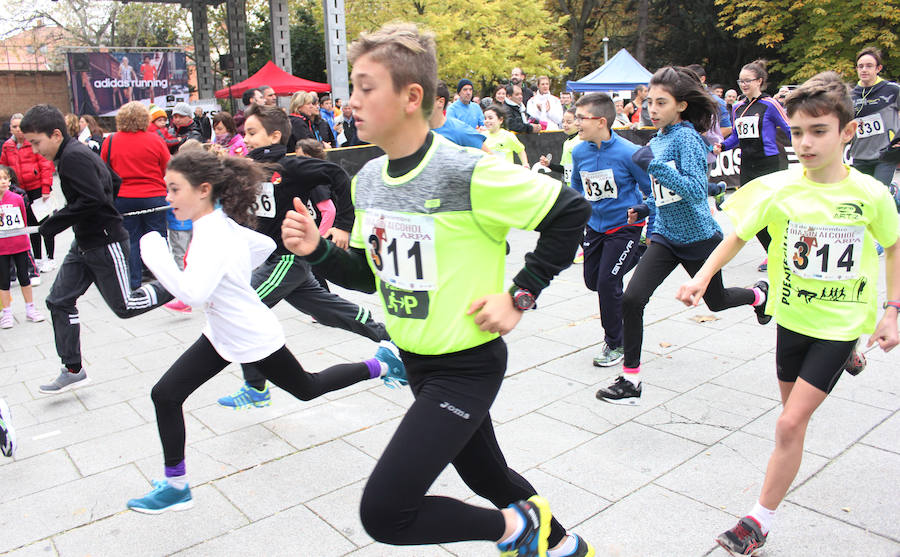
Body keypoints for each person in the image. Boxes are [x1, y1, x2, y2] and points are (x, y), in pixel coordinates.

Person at [281, 22, 594, 557]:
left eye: (364, 87)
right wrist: (318, 253)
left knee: (386, 512)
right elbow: (368, 276)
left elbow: (570, 211)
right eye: (352, 88)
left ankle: (515, 532)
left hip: (465, 366)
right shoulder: (367, 179)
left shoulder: (466, 171)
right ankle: (565, 547)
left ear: (411, 97)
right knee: (489, 478)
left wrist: (521, 293)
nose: (350, 100)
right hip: (415, 358)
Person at [676, 71, 900, 557]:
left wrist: (893, 311)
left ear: (847, 133)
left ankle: (757, 520)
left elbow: (894, 245)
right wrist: (701, 278)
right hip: (793, 318)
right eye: (797, 132)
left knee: (788, 424)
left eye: (818, 131)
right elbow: (735, 235)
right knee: (789, 419)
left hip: (841, 324)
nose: (805, 142)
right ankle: (844, 366)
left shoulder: (871, 195)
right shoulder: (777, 188)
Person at [126, 149, 406, 513]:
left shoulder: (214, 234)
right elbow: (263, 245)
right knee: (165, 394)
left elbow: (193, 293)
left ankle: (382, 364)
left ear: (202, 190)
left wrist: (153, 252)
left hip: (250, 333)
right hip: (224, 332)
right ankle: (177, 486)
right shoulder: (217, 224)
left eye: (175, 189)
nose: (167, 197)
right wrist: (236, 283)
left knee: (307, 388)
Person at [594, 67, 769, 406]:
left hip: (699, 238)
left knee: (716, 302)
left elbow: (693, 190)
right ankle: (631, 380)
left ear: (682, 106)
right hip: (664, 237)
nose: (652, 110)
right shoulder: (657, 139)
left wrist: (654, 167)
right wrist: (645, 208)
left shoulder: (687, 139)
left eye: (661, 103)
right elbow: (663, 192)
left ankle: (757, 296)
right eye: (649, 103)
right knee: (632, 299)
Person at [215, 104, 392, 409]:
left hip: (287, 259)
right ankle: (390, 337)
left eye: (253, 132)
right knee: (329, 310)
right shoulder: (247, 167)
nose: (248, 138)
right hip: (274, 260)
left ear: (275, 135)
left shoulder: (291, 167)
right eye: (245, 133)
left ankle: (256, 388)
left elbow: (337, 174)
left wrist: (343, 225)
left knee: (243, 312)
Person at [19, 105, 172, 394]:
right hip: (86, 241)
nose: (35, 150)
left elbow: (93, 199)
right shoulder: (73, 153)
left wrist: (53, 224)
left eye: (36, 142)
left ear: (55, 134)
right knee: (59, 300)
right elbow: (112, 182)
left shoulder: (73, 157)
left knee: (126, 306)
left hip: (104, 241)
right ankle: (73, 368)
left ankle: (179, 287)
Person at [569, 94, 650, 367]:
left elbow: (651, 192)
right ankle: (639, 252)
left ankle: (616, 343)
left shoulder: (629, 152)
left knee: (607, 283)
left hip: (624, 227)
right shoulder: (579, 151)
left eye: (581, 118)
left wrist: (644, 211)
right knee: (593, 281)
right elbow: (577, 188)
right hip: (594, 227)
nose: (576, 122)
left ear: (601, 121)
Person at [718, 60, 792, 270]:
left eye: (748, 80)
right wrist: (721, 146)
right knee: (751, 213)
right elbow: (736, 136)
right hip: (747, 164)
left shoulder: (769, 104)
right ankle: (773, 251)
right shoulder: (738, 107)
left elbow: (788, 129)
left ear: (759, 81)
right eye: (740, 81)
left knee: (771, 213)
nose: (743, 84)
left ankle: (781, 251)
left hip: (768, 163)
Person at [102, 101, 171, 290]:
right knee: (157, 238)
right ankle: (162, 281)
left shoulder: (111, 141)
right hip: (154, 196)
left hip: (123, 198)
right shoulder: (155, 139)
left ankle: (134, 282)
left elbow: (104, 170)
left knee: (130, 239)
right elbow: (167, 167)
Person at [1, 113, 55, 273]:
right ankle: (37, 258)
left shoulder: (32, 143)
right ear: (10, 128)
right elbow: (4, 167)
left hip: (37, 187)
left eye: (20, 126)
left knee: (45, 223)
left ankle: (50, 257)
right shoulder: (7, 146)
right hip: (20, 191)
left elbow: (45, 164)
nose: (18, 130)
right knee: (30, 225)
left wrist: (46, 187)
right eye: (14, 126)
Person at [0, 164, 45, 328]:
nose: (3, 182)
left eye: (5, 178)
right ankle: (6, 313)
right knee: (3, 281)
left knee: (25, 278)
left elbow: (24, 221)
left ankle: (30, 308)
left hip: (19, 244)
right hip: (1, 247)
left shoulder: (17, 198)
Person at [850, 46, 899, 186]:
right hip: (859, 155)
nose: (864, 69)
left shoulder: (892, 90)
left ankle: (890, 193)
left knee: (878, 193)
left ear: (878, 68)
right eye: (860, 66)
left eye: (869, 66)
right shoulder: (851, 95)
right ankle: (895, 192)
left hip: (886, 154)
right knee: (864, 197)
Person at [430, 80, 488, 150]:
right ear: (459, 93)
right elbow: (448, 129)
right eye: (465, 90)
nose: (468, 93)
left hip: (471, 143)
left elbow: (483, 124)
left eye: (470, 90)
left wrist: (481, 130)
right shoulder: (452, 109)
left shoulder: (476, 107)